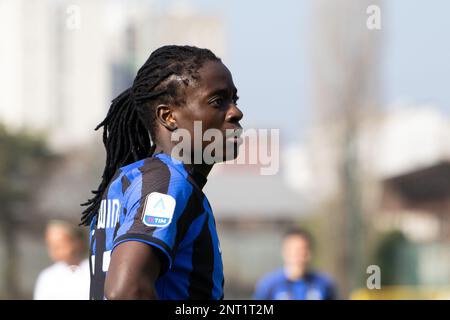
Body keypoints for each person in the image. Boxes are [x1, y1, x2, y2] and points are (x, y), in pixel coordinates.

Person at [81, 45, 243, 300]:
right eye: (218, 101)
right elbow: (126, 291)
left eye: (234, 99)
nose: (235, 112)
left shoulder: (133, 178)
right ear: (168, 116)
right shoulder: (166, 184)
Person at [253, 228, 337, 300]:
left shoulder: (324, 284)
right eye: (295, 251)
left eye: (303, 250)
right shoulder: (269, 285)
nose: (299, 256)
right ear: (284, 252)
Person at [34, 220, 90, 300]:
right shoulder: (47, 277)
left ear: (77, 242)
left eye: (60, 243)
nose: (55, 249)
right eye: (51, 244)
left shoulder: (94, 270)